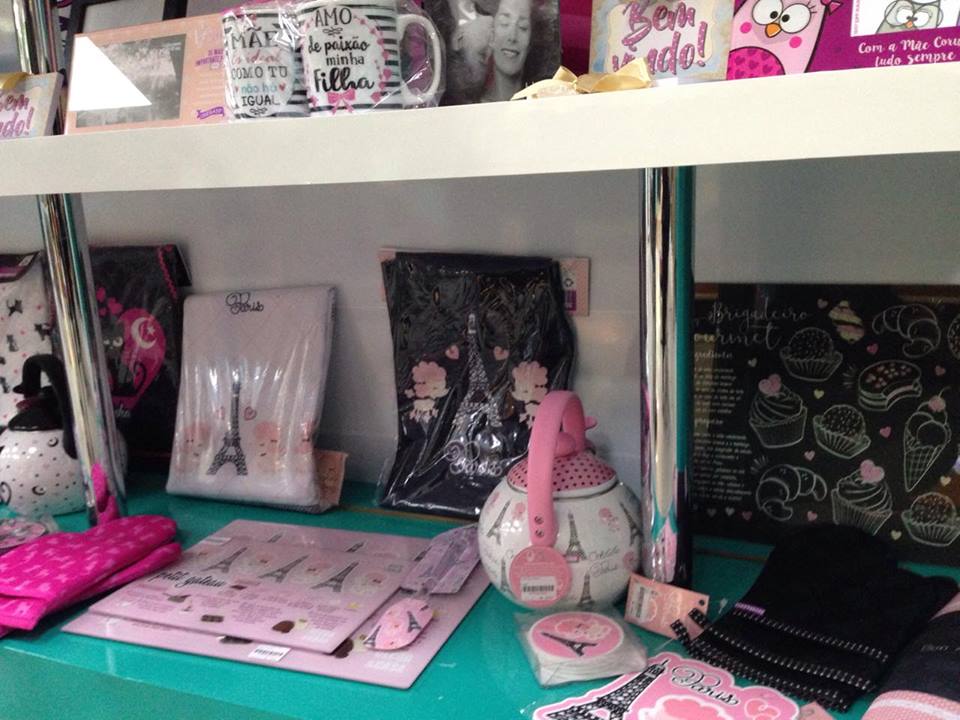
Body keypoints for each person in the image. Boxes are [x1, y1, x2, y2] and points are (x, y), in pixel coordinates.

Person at [481, 0, 532, 102]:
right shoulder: (470, 107)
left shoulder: (543, 104)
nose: (512, 37)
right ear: (491, 36)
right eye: (504, 23)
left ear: (531, 41)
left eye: (523, 27)